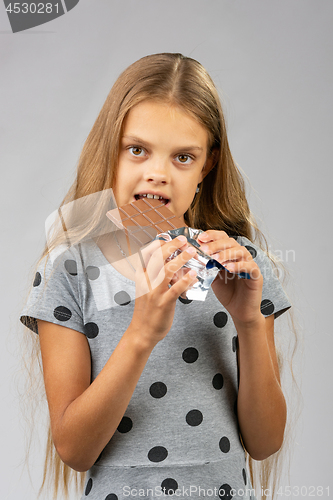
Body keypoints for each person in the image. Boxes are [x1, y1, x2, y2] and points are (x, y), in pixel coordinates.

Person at [20, 53, 293, 500]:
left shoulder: (241, 266)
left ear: (207, 166)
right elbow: (74, 449)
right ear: (110, 148)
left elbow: (265, 443)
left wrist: (248, 321)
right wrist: (141, 333)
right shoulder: (68, 269)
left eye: (183, 156)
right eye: (137, 149)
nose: (158, 173)